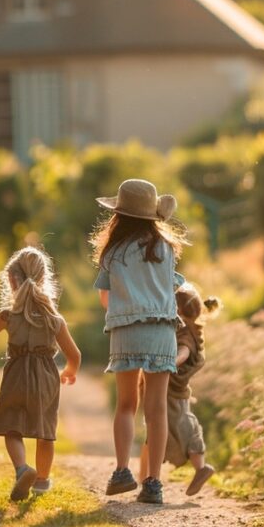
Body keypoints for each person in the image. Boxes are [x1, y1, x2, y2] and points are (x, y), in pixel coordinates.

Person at [91, 178, 188, 506]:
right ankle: (154, 483)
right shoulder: (165, 248)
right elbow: (171, 288)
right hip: (162, 331)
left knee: (126, 405)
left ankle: (121, 472)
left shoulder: (113, 251)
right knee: (157, 409)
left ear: (118, 215)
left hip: (126, 331)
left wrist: (126, 303)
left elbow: (106, 299)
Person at [0, 247, 82, 501]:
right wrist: (69, 372)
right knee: (45, 429)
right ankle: (42, 481)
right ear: (44, 279)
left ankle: (22, 468)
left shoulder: (8, 316)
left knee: (12, 425)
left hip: (16, 375)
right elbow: (74, 355)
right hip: (45, 377)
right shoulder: (55, 320)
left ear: (12, 280)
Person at [137, 284, 219, 495]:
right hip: (180, 392)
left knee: (159, 431)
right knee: (187, 427)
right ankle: (199, 468)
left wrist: (171, 362)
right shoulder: (194, 330)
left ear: (178, 310)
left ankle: (145, 476)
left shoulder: (185, 332)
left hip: (169, 393)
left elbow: (184, 351)